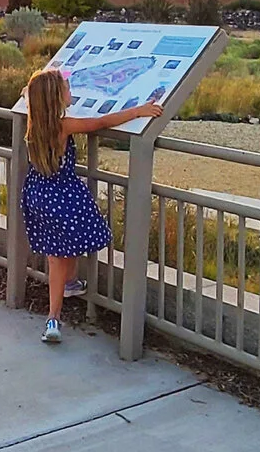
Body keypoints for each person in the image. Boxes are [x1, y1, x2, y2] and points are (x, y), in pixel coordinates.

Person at [19, 68, 162, 344]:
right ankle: (54, 316)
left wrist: (29, 92)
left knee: (57, 249)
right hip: (63, 196)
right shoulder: (64, 126)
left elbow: (29, 95)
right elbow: (101, 122)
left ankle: (67, 289)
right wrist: (138, 111)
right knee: (63, 252)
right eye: (66, 88)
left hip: (37, 193)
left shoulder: (34, 121)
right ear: (56, 99)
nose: (71, 91)